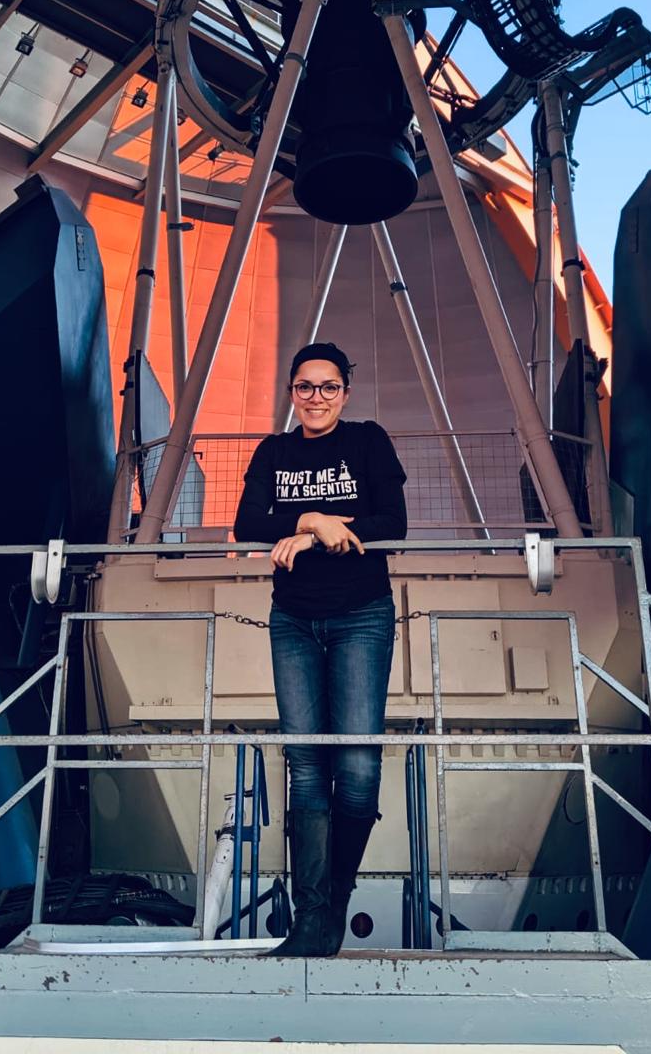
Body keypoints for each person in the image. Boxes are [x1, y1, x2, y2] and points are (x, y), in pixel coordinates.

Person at [233, 342, 407, 956]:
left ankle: (334, 900)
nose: (316, 398)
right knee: (306, 765)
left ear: (345, 393)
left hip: (361, 616)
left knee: (357, 767)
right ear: (291, 392)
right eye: (305, 387)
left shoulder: (368, 441)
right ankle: (311, 920)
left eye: (329, 387)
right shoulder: (274, 452)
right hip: (294, 621)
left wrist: (314, 534)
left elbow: (392, 524)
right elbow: (248, 524)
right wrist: (312, 519)